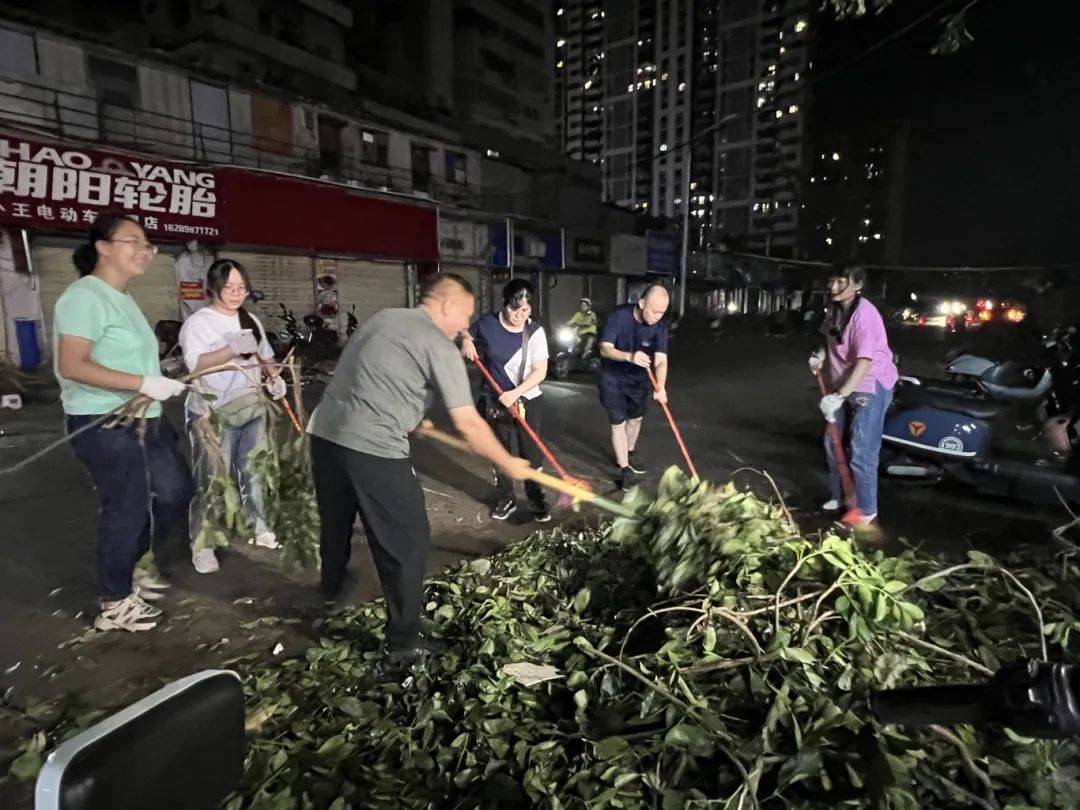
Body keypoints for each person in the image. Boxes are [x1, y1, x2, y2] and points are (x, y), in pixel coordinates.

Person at [307, 274, 531, 672]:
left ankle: (331, 593)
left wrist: (412, 417)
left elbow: (366, 375)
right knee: (408, 541)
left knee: (336, 523)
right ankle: (403, 645)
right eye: (464, 315)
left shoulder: (384, 319)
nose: (466, 325)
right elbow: (470, 423)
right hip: (373, 448)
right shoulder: (436, 343)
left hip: (325, 437)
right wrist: (508, 462)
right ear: (445, 305)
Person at [54, 212, 193, 633]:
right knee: (127, 507)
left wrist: (159, 377)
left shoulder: (124, 298)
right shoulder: (84, 297)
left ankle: (133, 565)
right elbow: (72, 364)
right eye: (133, 241)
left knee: (175, 491)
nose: (145, 251)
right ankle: (114, 602)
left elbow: (127, 357)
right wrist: (142, 381)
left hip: (147, 419)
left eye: (147, 244)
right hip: (105, 421)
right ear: (103, 246)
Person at [179, 258, 287, 574]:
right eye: (230, 287)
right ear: (214, 287)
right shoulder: (199, 323)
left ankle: (259, 526)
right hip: (212, 411)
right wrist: (230, 350)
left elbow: (265, 358)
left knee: (255, 470)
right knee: (212, 479)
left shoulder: (249, 319)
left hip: (250, 405)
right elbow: (195, 365)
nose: (237, 293)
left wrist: (273, 378)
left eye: (241, 287)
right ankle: (203, 544)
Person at [809, 264, 898, 525]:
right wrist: (820, 356)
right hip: (844, 383)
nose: (833, 287)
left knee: (861, 451)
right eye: (832, 281)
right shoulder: (836, 309)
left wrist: (839, 396)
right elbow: (828, 338)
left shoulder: (865, 315)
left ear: (857, 285)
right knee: (831, 442)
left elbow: (865, 362)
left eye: (841, 282)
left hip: (869, 385)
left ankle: (867, 511)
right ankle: (839, 497)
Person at [460, 278, 551, 523]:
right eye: (514, 308)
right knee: (499, 450)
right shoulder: (488, 323)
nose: (519, 314)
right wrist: (467, 339)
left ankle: (535, 497)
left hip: (527, 399)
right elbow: (465, 329)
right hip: (494, 398)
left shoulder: (535, 332)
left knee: (531, 453)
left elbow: (540, 372)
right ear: (505, 304)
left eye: (525, 309)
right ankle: (506, 497)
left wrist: (516, 392)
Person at [598, 284, 670, 491]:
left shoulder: (660, 326)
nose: (657, 316)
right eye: (654, 311)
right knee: (618, 421)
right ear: (641, 303)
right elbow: (605, 349)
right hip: (613, 377)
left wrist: (662, 386)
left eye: (662, 312)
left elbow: (661, 360)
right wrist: (629, 356)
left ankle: (628, 452)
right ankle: (624, 469)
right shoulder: (619, 317)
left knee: (636, 418)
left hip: (639, 380)